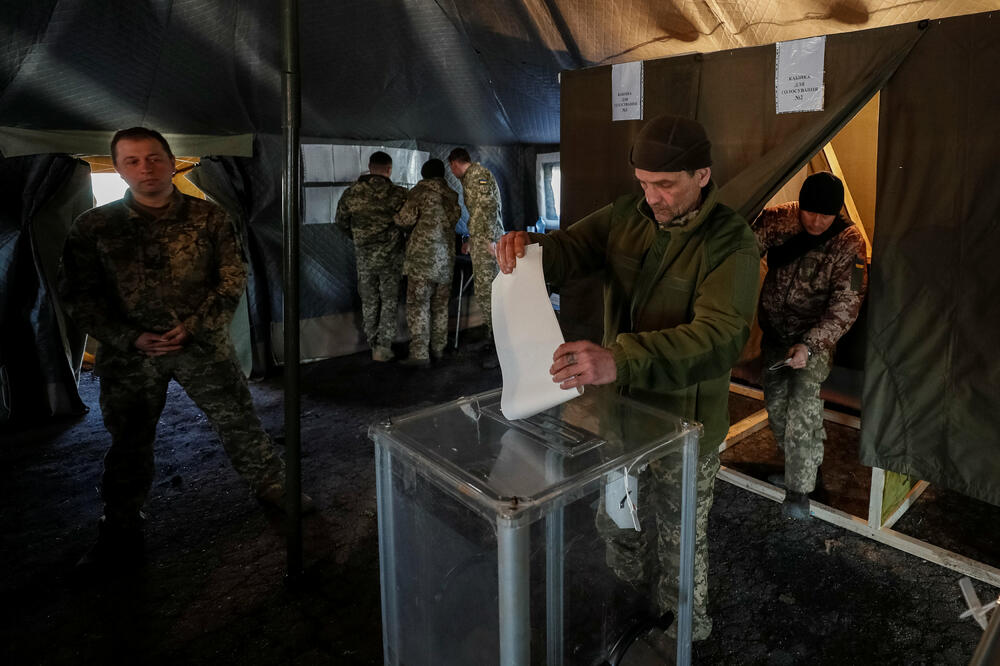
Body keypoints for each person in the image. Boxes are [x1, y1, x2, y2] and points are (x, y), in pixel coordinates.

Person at [495, 115, 759, 645]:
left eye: (665, 184)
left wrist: (621, 359)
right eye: (643, 183)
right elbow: (570, 250)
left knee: (680, 541)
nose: (652, 197)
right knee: (618, 520)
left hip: (684, 426)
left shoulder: (731, 243)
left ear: (702, 175)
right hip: (621, 415)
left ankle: (682, 635)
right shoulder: (625, 216)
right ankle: (626, 609)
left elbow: (719, 337)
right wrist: (529, 248)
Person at [57, 127, 299, 569]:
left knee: (239, 422)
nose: (145, 168)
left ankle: (274, 488)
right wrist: (128, 337)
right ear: (118, 169)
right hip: (132, 357)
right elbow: (78, 295)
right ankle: (121, 524)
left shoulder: (210, 218)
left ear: (171, 162)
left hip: (201, 347)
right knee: (129, 441)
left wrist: (194, 327)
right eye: (132, 161)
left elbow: (232, 278)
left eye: (154, 157)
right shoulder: (94, 226)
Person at [752, 171, 868, 519]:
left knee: (803, 405)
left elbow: (847, 304)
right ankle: (798, 468)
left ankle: (799, 492)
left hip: (816, 340)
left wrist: (810, 345)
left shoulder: (850, 243)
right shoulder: (779, 220)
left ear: (837, 212)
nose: (816, 221)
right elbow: (741, 250)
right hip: (775, 335)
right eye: (810, 212)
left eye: (825, 215)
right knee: (777, 406)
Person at [336, 151, 408, 361]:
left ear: (369, 167)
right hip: (391, 258)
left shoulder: (352, 193)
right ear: (389, 169)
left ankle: (372, 342)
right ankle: (383, 347)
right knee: (389, 301)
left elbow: (341, 222)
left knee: (369, 301)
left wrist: (358, 238)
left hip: (365, 257)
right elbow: (409, 222)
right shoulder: (399, 194)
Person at [394, 158, 461, 367]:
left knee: (418, 306)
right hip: (446, 261)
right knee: (440, 306)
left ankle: (419, 354)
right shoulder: (452, 195)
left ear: (424, 174)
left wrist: (395, 216)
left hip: (421, 262)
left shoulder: (418, 193)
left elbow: (404, 220)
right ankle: (438, 348)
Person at [447, 147, 503, 368]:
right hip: (481, 241)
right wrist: (472, 240)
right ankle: (494, 340)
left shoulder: (477, 176)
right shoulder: (472, 177)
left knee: (490, 295)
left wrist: (486, 240)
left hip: (487, 244)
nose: (453, 173)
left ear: (454, 164)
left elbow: (487, 208)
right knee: (485, 294)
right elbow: (480, 213)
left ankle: (501, 348)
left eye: (451, 169)